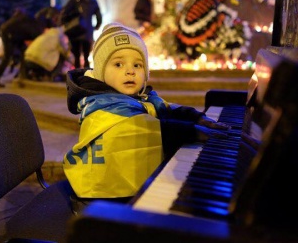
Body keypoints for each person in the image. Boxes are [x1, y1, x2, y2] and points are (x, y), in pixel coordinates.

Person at [63, 22, 230, 214]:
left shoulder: (140, 98)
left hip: (122, 192)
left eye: (137, 65)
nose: (130, 71)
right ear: (101, 73)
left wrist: (197, 118)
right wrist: (193, 132)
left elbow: (166, 109)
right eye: (118, 64)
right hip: (98, 200)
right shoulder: (100, 105)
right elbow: (142, 127)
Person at [0, 7, 43, 87]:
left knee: (23, 53)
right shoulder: (36, 28)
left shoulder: (32, 22)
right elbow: (33, 41)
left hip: (15, 35)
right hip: (9, 33)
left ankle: (22, 77)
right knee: (7, 58)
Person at [24, 10, 75, 82]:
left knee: (50, 52)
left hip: (27, 59)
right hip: (40, 63)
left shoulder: (48, 33)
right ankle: (52, 76)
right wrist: (73, 61)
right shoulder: (61, 36)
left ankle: (37, 74)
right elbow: (66, 52)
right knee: (61, 56)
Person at [62, 0, 102, 69]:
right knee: (86, 55)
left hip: (75, 29)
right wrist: (97, 26)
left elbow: (65, 12)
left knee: (76, 55)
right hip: (88, 31)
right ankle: (86, 75)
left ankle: (76, 75)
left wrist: (65, 23)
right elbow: (99, 16)